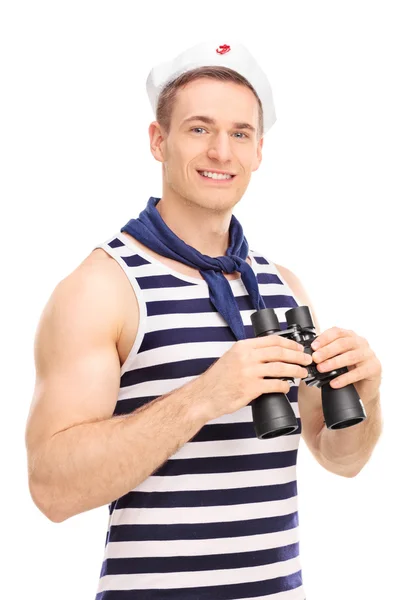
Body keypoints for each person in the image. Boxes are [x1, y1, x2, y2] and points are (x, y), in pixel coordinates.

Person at [25, 40, 382, 600]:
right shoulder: (103, 287)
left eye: (240, 133)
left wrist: (369, 397)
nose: (221, 151)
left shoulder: (282, 285)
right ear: (158, 140)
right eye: (199, 128)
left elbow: (342, 458)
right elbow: (51, 488)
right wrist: (205, 395)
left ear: (259, 150)